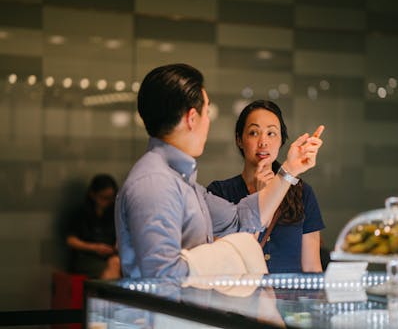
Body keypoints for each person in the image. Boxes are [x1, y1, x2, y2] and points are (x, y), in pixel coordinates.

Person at [115, 63, 324, 279]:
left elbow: (239, 220)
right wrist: (225, 259)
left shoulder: (182, 180)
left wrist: (290, 169)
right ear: (191, 118)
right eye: (207, 112)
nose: (208, 122)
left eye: (271, 134)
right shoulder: (155, 183)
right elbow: (163, 278)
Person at [207, 100, 325, 273]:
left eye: (271, 133)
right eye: (254, 133)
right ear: (239, 140)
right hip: (239, 299)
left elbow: (312, 268)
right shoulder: (219, 193)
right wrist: (262, 199)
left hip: (289, 299)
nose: (263, 142)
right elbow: (220, 263)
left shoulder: (302, 192)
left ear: (281, 141)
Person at [66, 174, 121, 279]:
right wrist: (94, 247)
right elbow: (71, 240)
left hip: (110, 255)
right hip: (86, 257)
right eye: (104, 198)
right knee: (114, 265)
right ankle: (108, 292)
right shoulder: (81, 213)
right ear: (93, 195)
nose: (108, 202)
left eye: (111, 198)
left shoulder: (114, 212)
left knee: (116, 262)